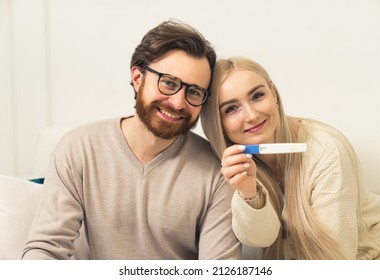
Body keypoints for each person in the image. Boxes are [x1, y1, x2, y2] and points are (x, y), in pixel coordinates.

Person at [22, 20, 241, 260]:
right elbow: (46, 249)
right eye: (169, 83)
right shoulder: (79, 148)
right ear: (138, 78)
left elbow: (219, 269)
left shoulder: (217, 171)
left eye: (194, 92)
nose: (179, 103)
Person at [201, 56, 380, 260]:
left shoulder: (326, 150)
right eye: (231, 109)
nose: (251, 115)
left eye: (257, 96)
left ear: (273, 93)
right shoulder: (231, 165)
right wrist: (249, 193)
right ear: (217, 122)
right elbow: (261, 239)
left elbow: (335, 260)